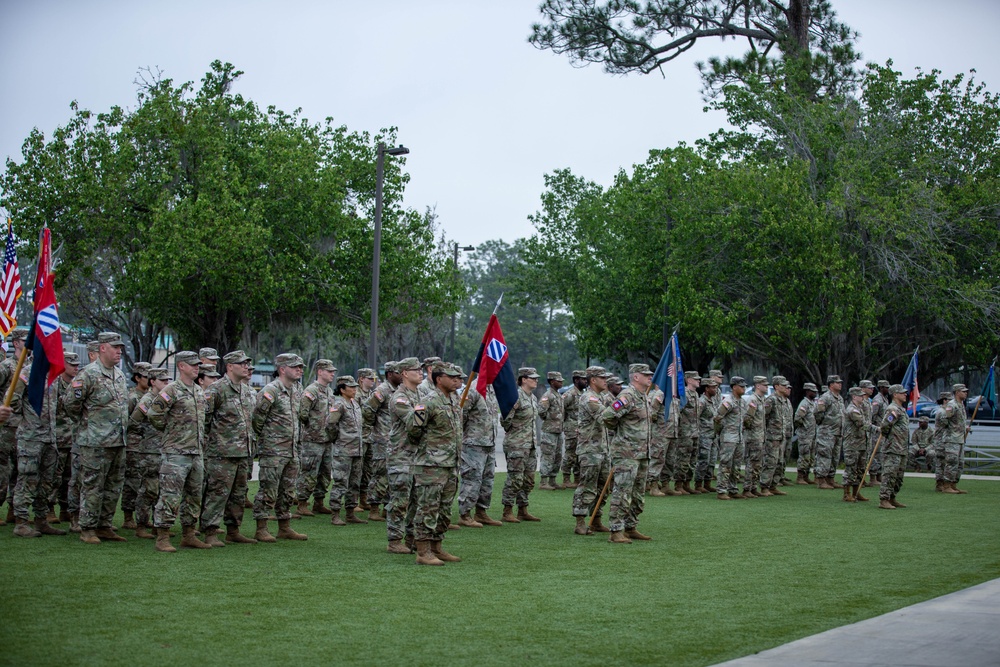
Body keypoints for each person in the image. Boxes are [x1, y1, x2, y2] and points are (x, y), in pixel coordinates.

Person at [63, 332, 130, 545]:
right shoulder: (88, 374)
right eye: (114, 347)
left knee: (113, 486)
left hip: (118, 441)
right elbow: (70, 404)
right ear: (102, 348)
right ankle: (88, 527)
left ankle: (104, 525)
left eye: (120, 347)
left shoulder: (119, 374)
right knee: (92, 485)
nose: (119, 350)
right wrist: (87, 425)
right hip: (95, 441)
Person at [146, 351, 209, 551]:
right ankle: (162, 537)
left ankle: (189, 534)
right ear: (181, 366)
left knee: (194, 495)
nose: (196, 367)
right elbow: (154, 414)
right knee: (170, 496)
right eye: (192, 365)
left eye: (197, 364)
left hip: (196, 452)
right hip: (176, 452)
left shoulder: (198, 390)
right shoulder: (171, 390)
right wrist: (171, 432)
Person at [408, 362, 463, 565]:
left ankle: (437, 546)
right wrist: (429, 450)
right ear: (439, 379)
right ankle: (423, 551)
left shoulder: (454, 400)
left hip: (450, 464)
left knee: (444, 508)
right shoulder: (428, 402)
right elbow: (414, 429)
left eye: (459, 377)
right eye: (453, 377)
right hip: (431, 464)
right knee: (427, 508)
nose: (458, 380)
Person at [201, 350, 257, 545]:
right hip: (222, 453)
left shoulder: (248, 391)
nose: (246, 367)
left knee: (239, 494)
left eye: (247, 363)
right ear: (230, 366)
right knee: (217, 493)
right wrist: (212, 444)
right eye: (241, 363)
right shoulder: (217, 390)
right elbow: (204, 420)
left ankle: (233, 530)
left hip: (244, 452)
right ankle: (210, 531)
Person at [251, 353, 308, 542]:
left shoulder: (297, 390)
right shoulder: (271, 390)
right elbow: (257, 419)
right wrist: (270, 440)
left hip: (292, 450)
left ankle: (284, 527)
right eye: (295, 367)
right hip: (274, 450)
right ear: (282, 369)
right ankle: (262, 527)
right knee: (268, 490)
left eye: (301, 367)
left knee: (287, 491)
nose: (299, 370)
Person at [9, 352, 65, 537]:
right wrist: (28, 420)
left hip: (50, 437)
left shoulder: (53, 375)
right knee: (27, 478)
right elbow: (13, 399)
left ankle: (41, 520)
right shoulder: (26, 373)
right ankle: (21, 522)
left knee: (46, 481)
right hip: (31, 437)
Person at [602, 363, 654, 543]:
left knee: (638, 494)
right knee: (622, 492)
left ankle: (631, 527)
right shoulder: (627, 396)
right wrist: (621, 434)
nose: (650, 377)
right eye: (645, 374)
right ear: (635, 377)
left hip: (642, 453)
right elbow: (608, 416)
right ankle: (616, 530)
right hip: (626, 453)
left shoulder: (643, 397)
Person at [385, 357, 423, 554]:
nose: (421, 372)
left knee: (416, 500)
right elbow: (413, 421)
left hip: (418, 456)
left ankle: (411, 538)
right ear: (405, 373)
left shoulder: (420, 395)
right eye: (416, 370)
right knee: (400, 500)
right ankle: (394, 539)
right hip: (401, 454)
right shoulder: (400, 397)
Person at [126, 367, 169, 539]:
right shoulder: (147, 400)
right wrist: (146, 434)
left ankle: (156, 524)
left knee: (160, 490)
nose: (167, 383)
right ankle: (141, 525)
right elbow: (133, 422)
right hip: (149, 451)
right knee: (148, 489)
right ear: (153, 382)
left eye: (167, 380)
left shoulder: (164, 398)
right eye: (163, 381)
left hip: (163, 449)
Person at [571, 366, 612, 535]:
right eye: (602, 378)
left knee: (604, 487)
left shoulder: (601, 396)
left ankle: (596, 520)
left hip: (602, 449)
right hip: (590, 450)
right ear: (593, 380)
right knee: (587, 486)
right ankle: (580, 522)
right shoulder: (589, 398)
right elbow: (606, 416)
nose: (606, 381)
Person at [295, 359, 337, 517]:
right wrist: (313, 428)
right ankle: (302, 503)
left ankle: (319, 502)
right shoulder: (311, 391)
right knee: (309, 472)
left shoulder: (329, 391)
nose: (332, 374)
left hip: (327, 439)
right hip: (313, 439)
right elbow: (303, 414)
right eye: (329, 371)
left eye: (333, 371)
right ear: (320, 372)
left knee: (325, 473)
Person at [458, 381, 502, 528]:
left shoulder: (492, 388)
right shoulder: (473, 388)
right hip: (473, 442)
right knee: (472, 479)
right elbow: (461, 414)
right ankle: (465, 514)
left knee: (487, 479)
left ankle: (481, 512)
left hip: (489, 442)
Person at [500, 367, 541, 522]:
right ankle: (507, 510)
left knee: (529, 479)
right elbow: (505, 420)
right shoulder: (515, 396)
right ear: (524, 379)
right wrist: (515, 434)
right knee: (515, 479)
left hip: (530, 444)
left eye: (536, 378)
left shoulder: (532, 398)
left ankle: (523, 509)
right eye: (533, 378)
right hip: (516, 444)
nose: (536, 380)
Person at [362, 360, 400, 522]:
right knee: (380, 474)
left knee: (393, 475)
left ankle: (387, 507)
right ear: (390, 374)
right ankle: (374, 508)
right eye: (399, 372)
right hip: (382, 440)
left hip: (396, 440)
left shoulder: (399, 390)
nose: (402, 375)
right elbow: (368, 410)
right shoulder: (382, 391)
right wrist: (376, 428)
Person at [327, 374, 367, 525]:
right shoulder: (339, 404)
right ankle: (335, 514)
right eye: (351, 387)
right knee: (340, 481)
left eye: (355, 387)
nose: (354, 390)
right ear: (342, 390)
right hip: (344, 449)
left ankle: (350, 512)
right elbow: (331, 424)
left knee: (354, 482)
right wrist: (337, 440)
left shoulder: (354, 404)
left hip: (357, 449)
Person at [0, 328, 29, 525]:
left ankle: (14, 508)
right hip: (6, 425)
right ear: (16, 343)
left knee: (21, 469)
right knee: (3, 467)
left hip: (25, 426)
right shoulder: (7, 367)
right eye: (26, 340)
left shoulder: (31, 368)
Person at [49, 351, 80, 525]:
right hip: (58, 437)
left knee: (70, 477)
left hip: (73, 438)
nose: (76, 367)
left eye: (77, 365)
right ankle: (49, 508)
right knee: (55, 476)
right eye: (72, 364)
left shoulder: (77, 385)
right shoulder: (54, 384)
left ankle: (65, 509)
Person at [120, 361, 151, 530]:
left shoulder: (153, 396)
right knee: (132, 482)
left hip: (147, 446)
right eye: (147, 376)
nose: (150, 379)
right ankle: (128, 516)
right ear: (137, 378)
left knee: (146, 483)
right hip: (133, 445)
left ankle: (143, 517)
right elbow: (127, 422)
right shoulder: (132, 397)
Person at [878, 384, 910, 509]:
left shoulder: (901, 409)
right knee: (890, 474)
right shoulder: (893, 409)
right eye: (902, 393)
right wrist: (889, 437)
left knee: (898, 476)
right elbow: (885, 425)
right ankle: (884, 499)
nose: (905, 395)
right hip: (893, 448)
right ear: (895, 395)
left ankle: (892, 497)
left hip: (902, 448)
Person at [714, 377, 747, 500]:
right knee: (726, 464)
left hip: (739, 437)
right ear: (734, 387)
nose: (744, 389)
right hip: (728, 437)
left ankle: (733, 489)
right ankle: (722, 490)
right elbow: (717, 417)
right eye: (741, 386)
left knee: (737, 465)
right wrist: (720, 431)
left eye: (744, 386)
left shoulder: (742, 402)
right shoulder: (728, 401)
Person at [841, 387, 874, 502]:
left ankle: (856, 492)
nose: (863, 397)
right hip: (852, 444)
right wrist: (877, 429)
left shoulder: (860, 408)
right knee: (851, 468)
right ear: (854, 397)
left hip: (861, 444)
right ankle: (847, 493)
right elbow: (862, 423)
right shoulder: (852, 410)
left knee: (861, 469)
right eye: (860, 396)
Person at [814, 374, 845, 489]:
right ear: (831, 384)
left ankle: (830, 478)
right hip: (827, 432)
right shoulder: (825, 397)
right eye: (837, 382)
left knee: (835, 456)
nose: (840, 384)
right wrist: (824, 425)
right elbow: (817, 413)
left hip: (837, 432)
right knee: (824, 455)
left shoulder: (839, 398)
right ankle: (821, 480)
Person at [938, 384, 971, 494]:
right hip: (952, 438)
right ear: (957, 392)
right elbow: (944, 419)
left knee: (960, 463)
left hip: (960, 439)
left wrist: (964, 428)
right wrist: (953, 429)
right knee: (952, 462)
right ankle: (946, 485)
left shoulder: (961, 405)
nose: (966, 393)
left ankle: (953, 484)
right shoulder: (952, 405)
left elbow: (958, 421)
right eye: (963, 391)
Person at [673, 371, 702, 495]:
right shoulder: (684, 394)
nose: (699, 381)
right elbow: (677, 411)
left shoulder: (695, 394)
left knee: (692, 460)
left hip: (695, 432)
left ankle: (687, 483)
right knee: (683, 459)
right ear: (689, 380)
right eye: (696, 379)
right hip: (685, 433)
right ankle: (679, 484)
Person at [537, 371, 565, 490]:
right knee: (548, 456)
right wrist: (549, 420)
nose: (561, 382)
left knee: (557, 456)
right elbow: (541, 411)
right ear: (552, 381)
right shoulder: (547, 395)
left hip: (558, 431)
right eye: (559, 381)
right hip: (549, 431)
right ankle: (543, 481)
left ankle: (552, 480)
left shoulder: (558, 395)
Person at [742, 376, 768, 497]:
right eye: (765, 385)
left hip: (760, 436)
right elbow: (747, 419)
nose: (767, 387)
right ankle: (747, 488)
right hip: (753, 436)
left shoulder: (761, 399)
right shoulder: (753, 400)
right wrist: (751, 432)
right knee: (752, 463)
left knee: (757, 463)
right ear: (758, 386)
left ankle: (753, 487)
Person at [355, 367, 378, 511]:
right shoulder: (355, 394)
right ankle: (353, 500)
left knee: (368, 469)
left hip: (371, 436)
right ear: (362, 379)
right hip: (359, 437)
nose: (373, 381)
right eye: (370, 379)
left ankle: (364, 498)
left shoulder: (372, 395)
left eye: (374, 379)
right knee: (357, 469)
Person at [560, 370, 587, 488]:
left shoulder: (583, 394)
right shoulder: (569, 394)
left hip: (581, 429)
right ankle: (566, 478)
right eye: (583, 379)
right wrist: (566, 424)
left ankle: (577, 478)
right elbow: (561, 410)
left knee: (578, 454)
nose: (586, 382)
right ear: (576, 380)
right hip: (571, 429)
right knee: (570, 454)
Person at [694, 377, 719, 493]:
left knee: (712, 460)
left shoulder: (713, 400)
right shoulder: (702, 401)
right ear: (707, 388)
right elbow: (696, 418)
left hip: (713, 434)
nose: (715, 389)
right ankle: (698, 483)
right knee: (704, 460)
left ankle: (707, 482)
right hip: (704, 435)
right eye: (713, 387)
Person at [793, 382, 818, 484]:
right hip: (805, 435)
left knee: (810, 457)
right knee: (804, 456)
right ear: (808, 391)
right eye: (813, 391)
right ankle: (800, 477)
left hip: (812, 435)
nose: (815, 393)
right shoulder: (804, 403)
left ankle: (806, 475)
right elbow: (798, 418)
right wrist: (805, 427)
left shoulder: (813, 403)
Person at [930, 391, 952, 490]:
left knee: (944, 462)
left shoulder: (945, 411)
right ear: (944, 400)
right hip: (940, 440)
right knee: (940, 463)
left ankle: (943, 482)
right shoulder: (942, 412)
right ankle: (939, 483)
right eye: (950, 400)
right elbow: (948, 424)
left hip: (945, 440)